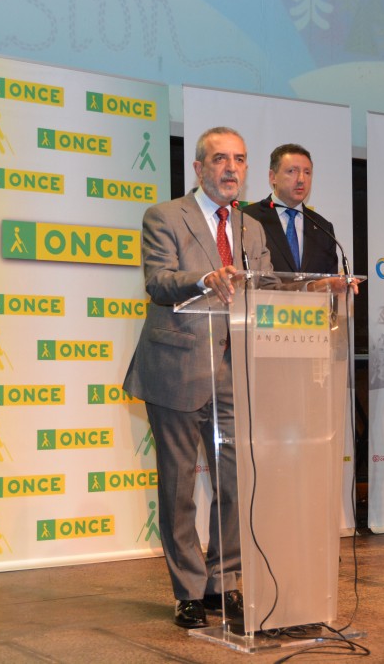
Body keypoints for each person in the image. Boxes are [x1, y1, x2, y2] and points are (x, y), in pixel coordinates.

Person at [123, 127, 272, 629]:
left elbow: (266, 288)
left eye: (241, 160)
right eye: (221, 159)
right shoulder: (165, 216)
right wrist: (203, 278)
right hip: (177, 368)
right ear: (199, 168)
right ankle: (187, 591)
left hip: (235, 371)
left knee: (234, 482)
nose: (232, 169)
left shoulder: (252, 228)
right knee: (179, 488)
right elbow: (158, 281)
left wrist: (319, 288)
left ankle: (222, 583)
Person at [243, 143, 340, 274]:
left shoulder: (323, 228)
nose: (301, 179)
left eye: (307, 172)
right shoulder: (248, 218)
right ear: (273, 177)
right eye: (292, 171)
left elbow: (330, 282)